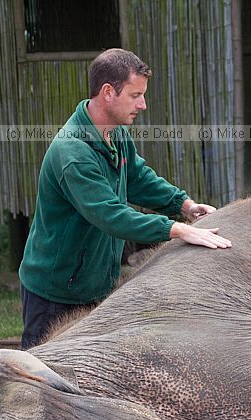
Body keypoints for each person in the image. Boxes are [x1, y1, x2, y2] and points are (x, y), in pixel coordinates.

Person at [18, 48, 229, 349]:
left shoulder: (114, 133)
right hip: (54, 294)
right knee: (39, 382)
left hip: (94, 287)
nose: (142, 104)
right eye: (135, 95)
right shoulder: (73, 154)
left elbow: (138, 177)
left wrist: (185, 205)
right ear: (107, 92)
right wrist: (177, 230)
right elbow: (110, 215)